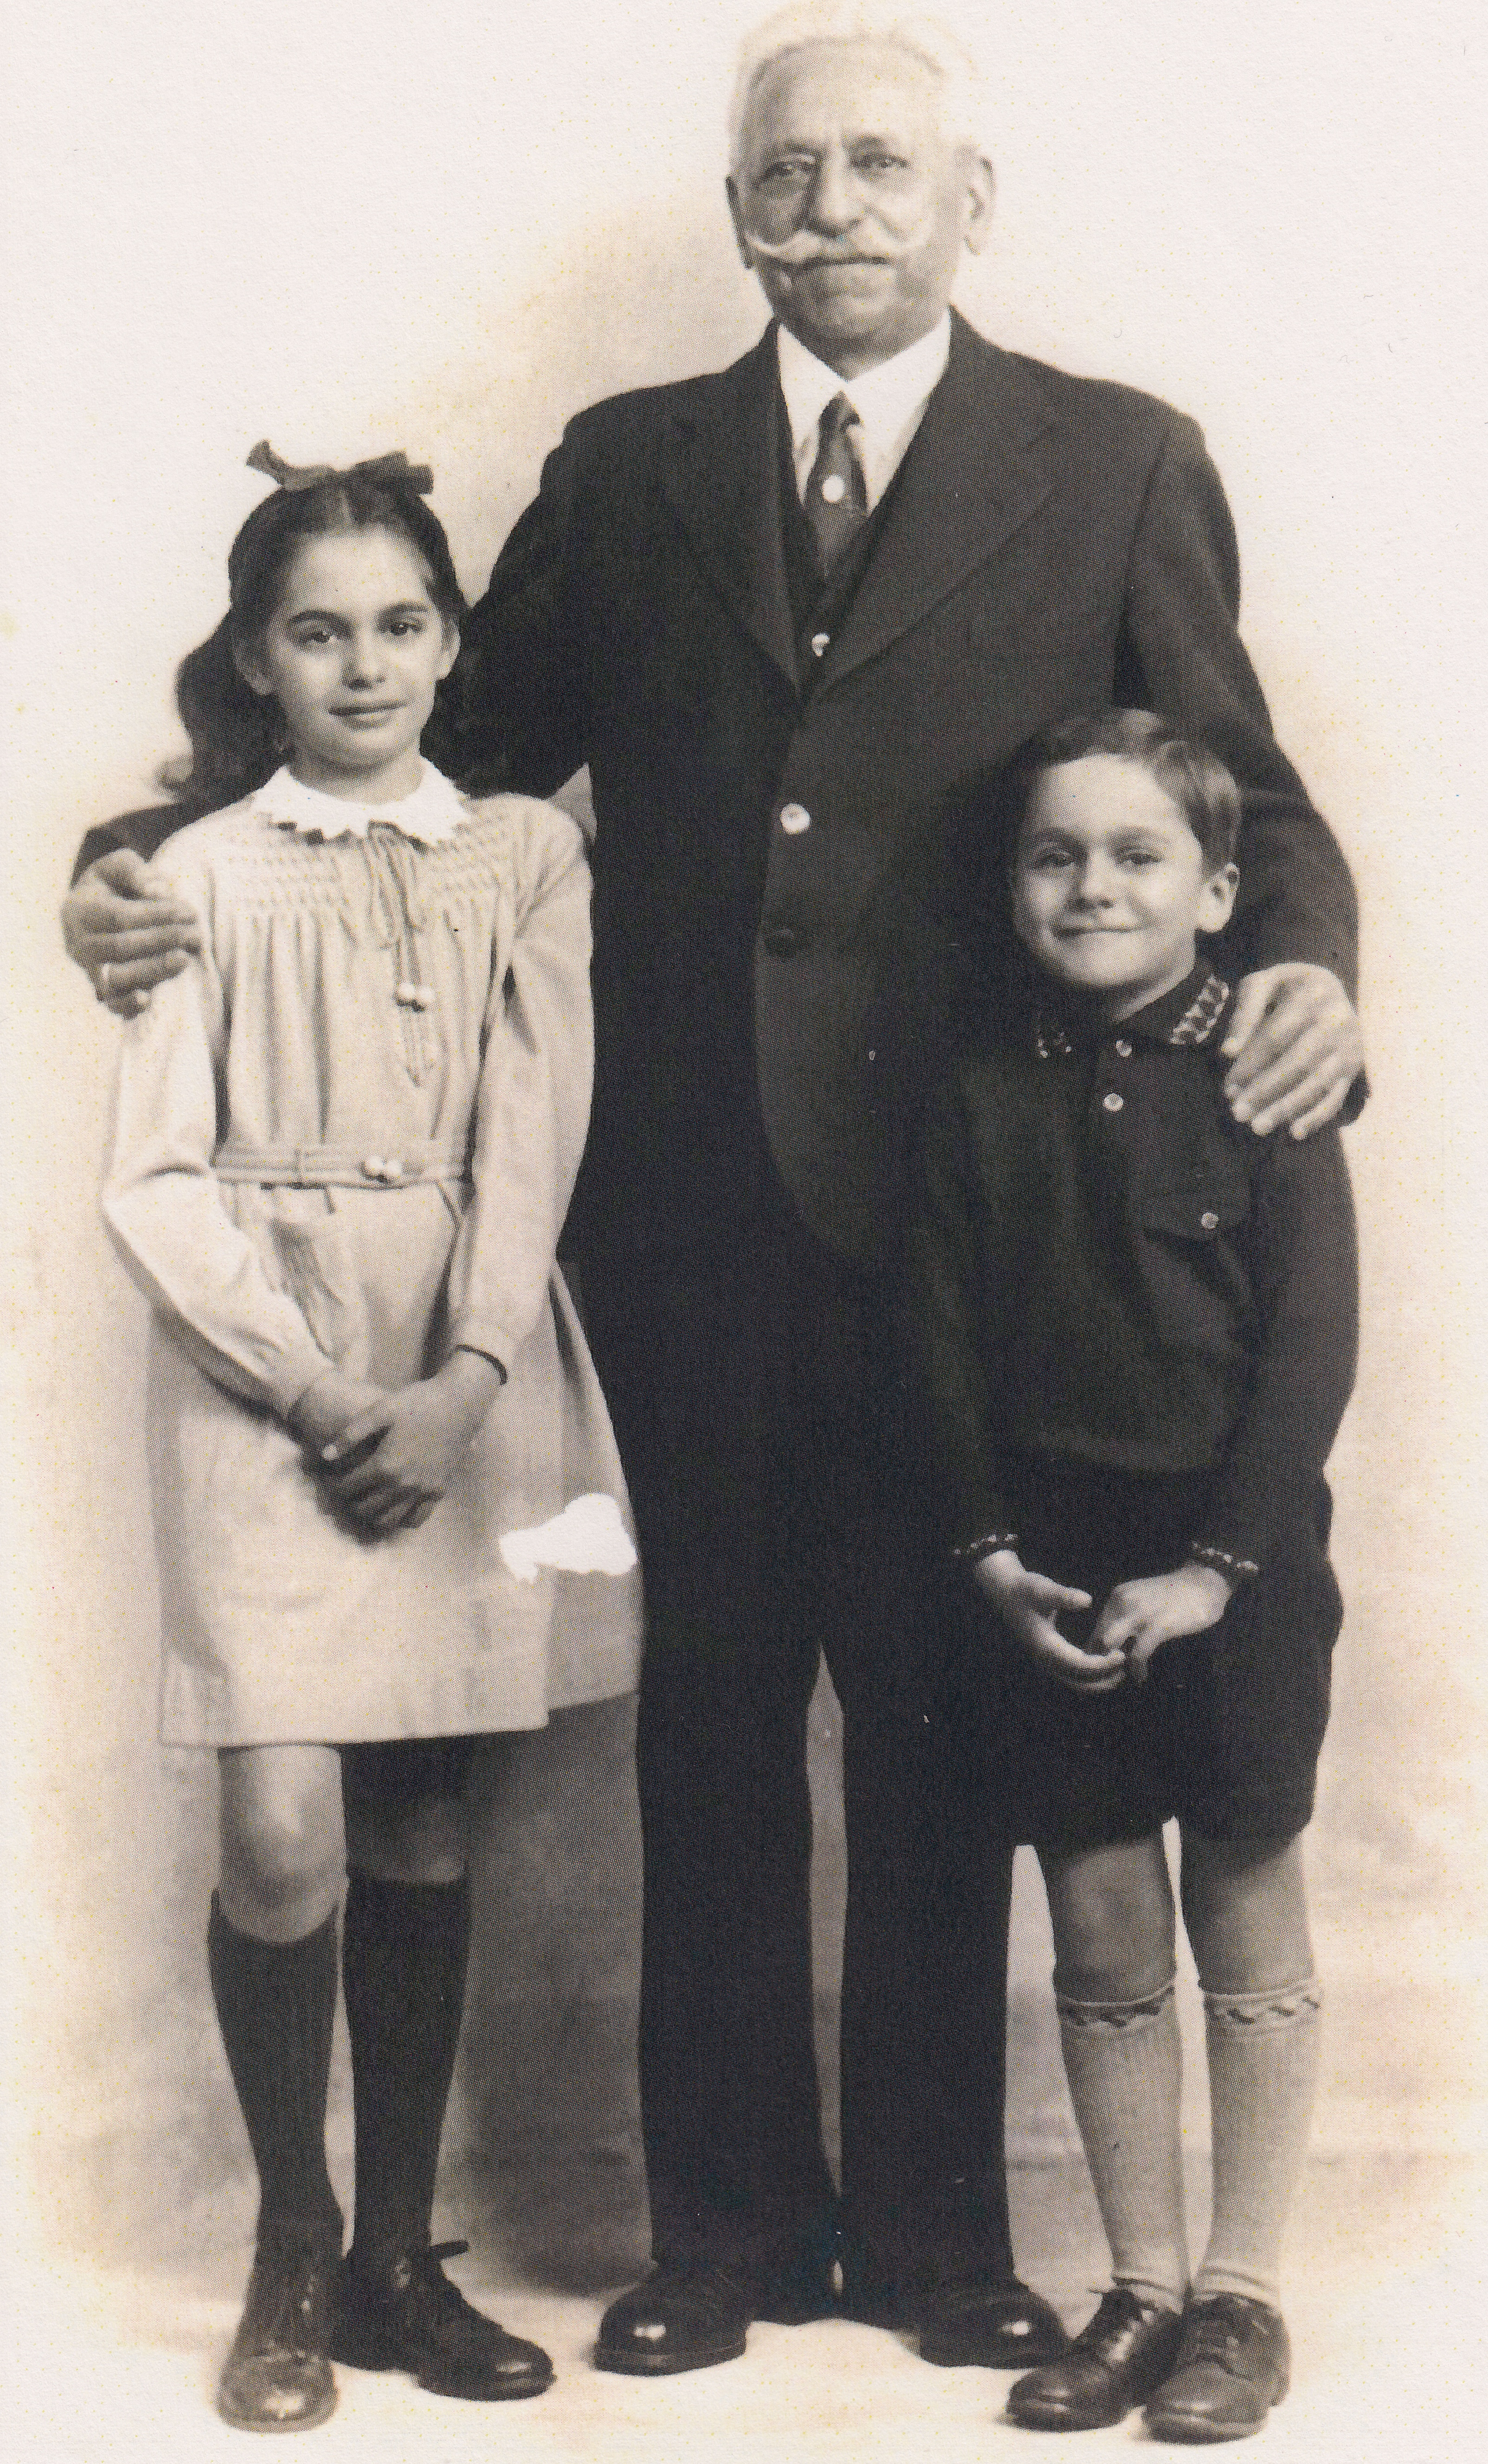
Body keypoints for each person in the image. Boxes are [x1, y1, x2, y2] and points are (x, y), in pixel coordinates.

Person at [63, 5, 1366, 2378]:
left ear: (973, 205)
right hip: (673, 1215)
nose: (836, 206)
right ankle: (730, 2227)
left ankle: (945, 2238)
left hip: (986, 1224)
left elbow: (1240, 795)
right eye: (792, 171)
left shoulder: (1114, 459)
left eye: (884, 166)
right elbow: (417, 758)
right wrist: (137, 857)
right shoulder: (632, 460)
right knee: (712, 1726)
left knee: (950, 1723)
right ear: (736, 206)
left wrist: (1303, 974)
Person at [98, 446, 641, 2431]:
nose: (363, 662)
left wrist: (468, 1373)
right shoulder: (197, 874)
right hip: (266, 1371)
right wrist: (323, 1388)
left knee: (420, 1817)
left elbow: (537, 1125)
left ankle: (404, 2255)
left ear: (452, 639)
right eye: (317, 630)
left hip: (465, 1363)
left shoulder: (525, 854)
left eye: (402, 622)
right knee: (281, 1821)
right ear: (255, 656)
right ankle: (292, 2237)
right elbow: (152, 1183)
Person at [907, 710, 1355, 2441]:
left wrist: (1222, 1571)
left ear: (1221, 886)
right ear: (1015, 886)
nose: (1093, 884)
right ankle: (1142, 2288)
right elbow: (936, 1343)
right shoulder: (973, 1089)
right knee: (1099, 1925)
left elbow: (1312, 1346)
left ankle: (1242, 2296)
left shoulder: (1266, 1074)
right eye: (1054, 855)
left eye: (1139, 854)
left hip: (1230, 1569)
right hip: (1057, 1580)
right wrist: (994, 1557)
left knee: (1242, 1899)